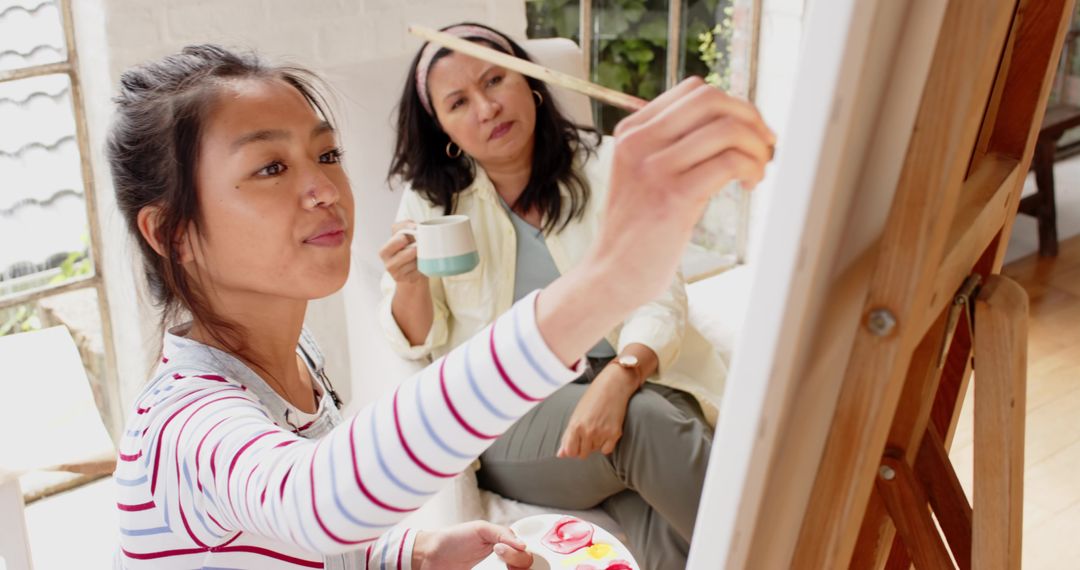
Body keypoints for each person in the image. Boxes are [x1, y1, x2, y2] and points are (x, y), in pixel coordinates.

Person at [109, 41, 772, 569]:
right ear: (172, 233)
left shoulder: (294, 365)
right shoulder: (181, 425)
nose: (324, 188)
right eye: (271, 168)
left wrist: (414, 553)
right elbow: (311, 502)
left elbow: (296, 545)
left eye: (327, 152)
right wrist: (608, 281)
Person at [379, 23, 763, 569]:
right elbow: (421, 342)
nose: (486, 108)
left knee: (661, 515)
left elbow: (660, 290)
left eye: (496, 81)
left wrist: (621, 374)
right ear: (442, 126)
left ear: (532, 84)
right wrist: (409, 281)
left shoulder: (609, 165)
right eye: (459, 102)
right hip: (509, 413)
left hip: (633, 377)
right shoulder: (431, 202)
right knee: (649, 426)